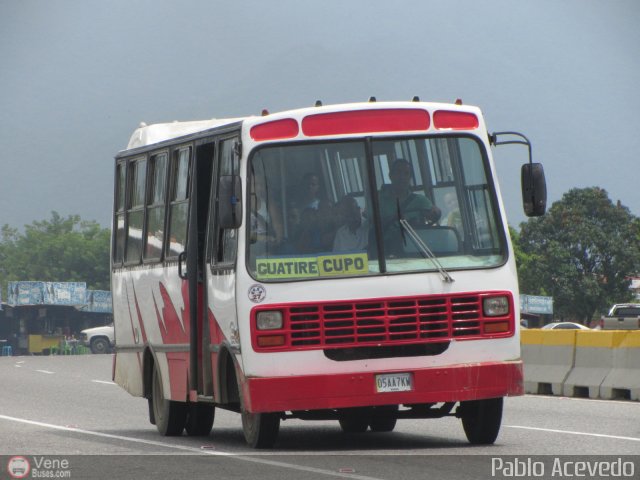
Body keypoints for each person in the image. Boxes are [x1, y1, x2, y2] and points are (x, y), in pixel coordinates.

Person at [376, 159, 441, 257]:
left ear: (410, 178)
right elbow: (371, 225)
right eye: (398, 172)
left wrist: (436, 213)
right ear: (390, 176)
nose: (402, 177)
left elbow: (433, 214)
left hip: (415, 250)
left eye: (406, 173)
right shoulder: (377, 200)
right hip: (385, 251)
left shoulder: (420, 200)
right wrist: (394, 218)